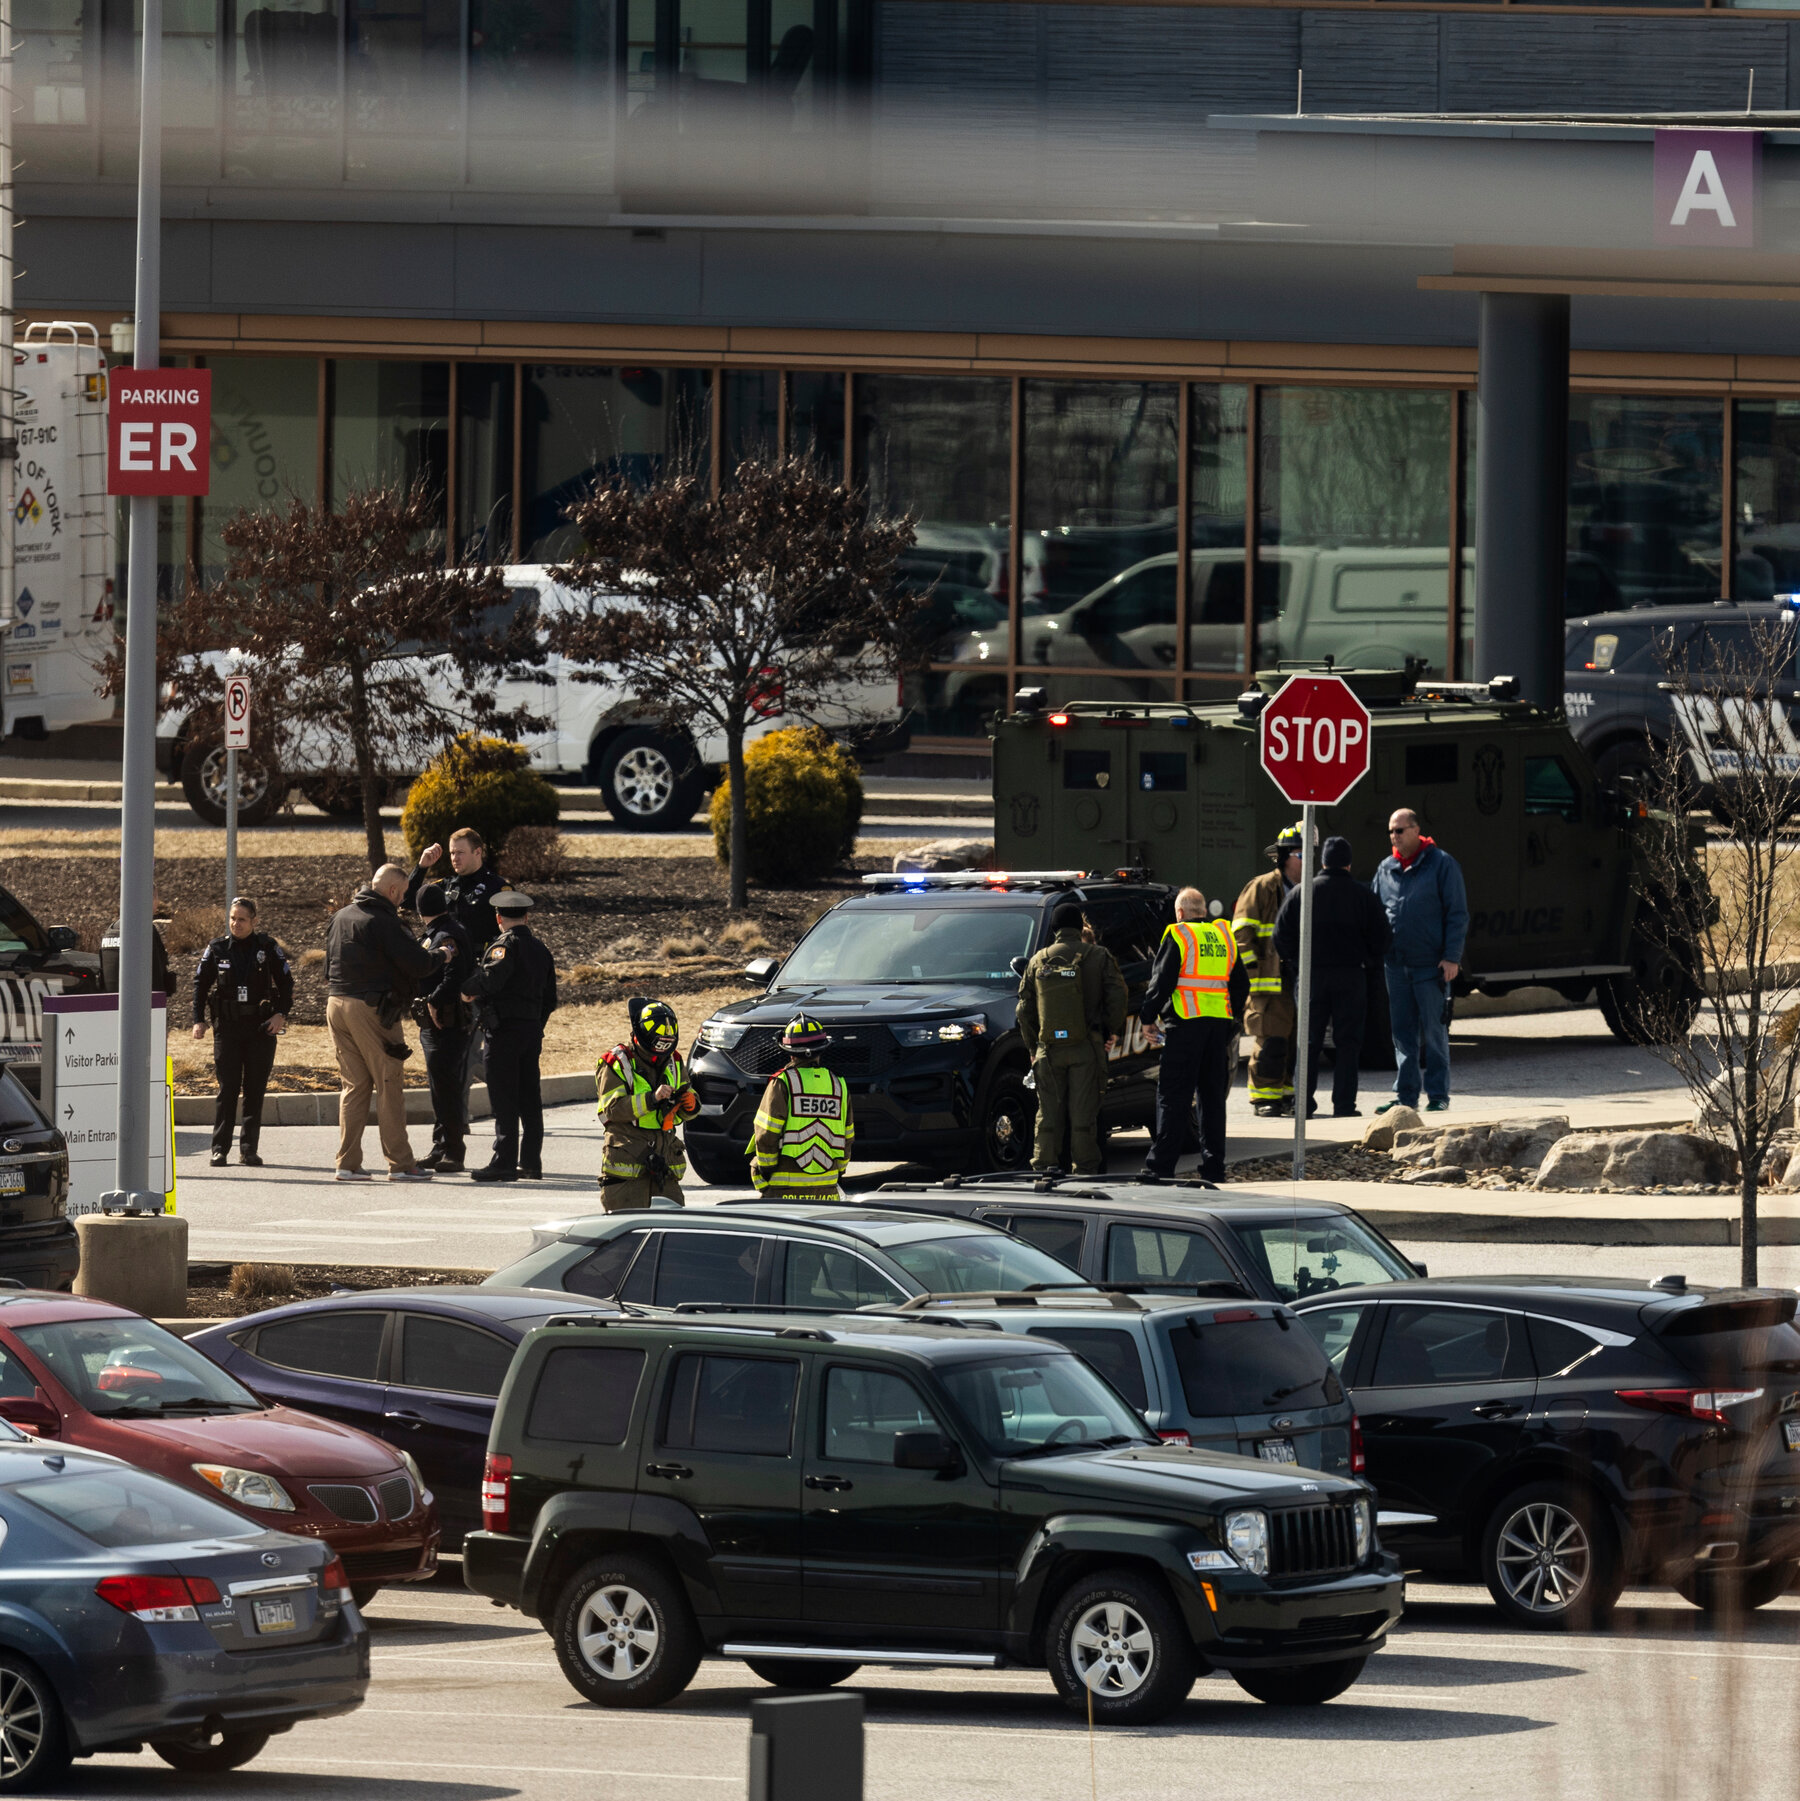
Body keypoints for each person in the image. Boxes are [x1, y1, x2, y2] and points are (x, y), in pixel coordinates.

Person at [326, 863, 452, 1182]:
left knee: (353, 1086)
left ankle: (347, 1163)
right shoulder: (383, 921)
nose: (403, 900)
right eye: (403, 893)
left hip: (336, 1005)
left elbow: (328, 965)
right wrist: (444, 955)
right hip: (372, 1010)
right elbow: (419, 963)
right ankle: (401, 1163)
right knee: (389, 1082)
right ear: (393, 891)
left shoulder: (340, 917)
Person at [1273, 836, 1393, 1119]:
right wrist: (1369, 962)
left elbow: (1281, 935)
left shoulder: (1302, 893)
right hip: (1351, 976)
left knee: (1309, 1042)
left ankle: (1304, 1105)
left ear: (1322, 861)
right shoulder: (1363, 895)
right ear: (1348, 864)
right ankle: (1344, 1105)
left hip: (1312, 975)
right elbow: (1383, 938)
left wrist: (1297, 963)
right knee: (1348, 1044)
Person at [1016, 899, 1127, 1175]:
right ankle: (1085, 1171)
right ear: (1079, 927)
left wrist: (1033, 1046)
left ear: (1054, 928)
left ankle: (1043, 1168)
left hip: (1048, 1050)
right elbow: (1118, 995)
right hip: (1086, 1048)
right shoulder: (1098, 956)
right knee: (1083, 1116)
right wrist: (1110, 1031)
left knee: (1048, 1116)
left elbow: (1023, 1009)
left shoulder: (1038, 960)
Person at [1139, 887, 1241, 1183]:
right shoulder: (1223, 935)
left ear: (1180, 913)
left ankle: (1161, 1167)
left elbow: (1162, 982)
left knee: (1173, 1095)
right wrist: (1230, 1022)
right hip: (1217, 1028)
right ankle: (1214, 1167)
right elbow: (1240, 984)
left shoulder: (1179, 934)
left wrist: (1148, 1018)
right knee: (1211, 1099)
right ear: (1204, 912)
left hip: (1185, 1025)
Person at [405, 826, 504, 1132]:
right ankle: (456, 1122)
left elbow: (506, 937)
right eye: (451, 853)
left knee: (471, 1052)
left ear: (478, 852)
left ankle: (485, 1113)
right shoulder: (444, 886)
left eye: (461, 852)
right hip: (445, 978)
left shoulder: (497, 888)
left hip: (477, 978)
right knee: (458, 1055)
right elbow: (408, 900)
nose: (455, 858)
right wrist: (421, 867)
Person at [1373, 808, 1469, 1116]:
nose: (1394, 836)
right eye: (1390, 831)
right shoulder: (1385, 868)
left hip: (1430, 966)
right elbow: (1376, 912)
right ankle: (1405, 1097)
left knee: (1434, 1031)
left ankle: (1438, 1094)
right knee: (1402, 1033)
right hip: (1396, 965)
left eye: (1400, 830)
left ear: (1416, 830)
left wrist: (1452, 957)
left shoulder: (1442, 864)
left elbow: (1457, 914)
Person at [461, 891, 558, 1184]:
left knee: (504, 1098)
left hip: (503, 1031)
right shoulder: (541, 949)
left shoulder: (504, 946)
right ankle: (530, 1161)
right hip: (530, 1030)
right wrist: (536, 1024)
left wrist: (467, 989)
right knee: (529, 1098)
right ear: (526, 917)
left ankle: (503, 1161)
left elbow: (491, 979)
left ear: (499, 918)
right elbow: (550, 998)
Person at [191, 896, 292, 1168]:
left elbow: (287, 984)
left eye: (242, 919)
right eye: (233, 918)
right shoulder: (218, 948)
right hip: (228, 1029)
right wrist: (198, 1019)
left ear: (254, 921)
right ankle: (219, 1149)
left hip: (260, 1029)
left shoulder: (267, 948)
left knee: (254, 1089)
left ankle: (248, 1149)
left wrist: (280, 1015)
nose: (236, 923)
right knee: (228, 1089)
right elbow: (201, 984)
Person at [596, 998, 697, 1211]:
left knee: (672, 1230)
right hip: (628, 1168)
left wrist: (691, 1105)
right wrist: (652, 1098)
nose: (660, 1055)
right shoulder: (616, 1062)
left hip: (664, 1165)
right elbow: (612, 1109)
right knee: (627, 1234)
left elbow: (686, 1100)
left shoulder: (674, 1060)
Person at [1233, 823, 1305, 1116]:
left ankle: (1286, 1094)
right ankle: (1264, 1098)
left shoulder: (1308, 889)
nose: (1307, 859)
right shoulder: (1262, 887)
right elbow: (1241, 932)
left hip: (1297, 978)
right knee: (1271, 1041)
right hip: (1268, 980)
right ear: (1286, 856)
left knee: (1293, 1042)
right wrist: (1253, 974)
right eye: (1302, 854)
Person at [752, 1015, 854, 1201]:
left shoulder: (782, 1082)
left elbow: (766, 1133)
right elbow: (847, 1136)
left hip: (784, 1190)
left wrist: (766, 1169)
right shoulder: (838, 1084)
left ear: (789, 1051)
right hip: (827, 1190)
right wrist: (838, 1170)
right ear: (822, 1050)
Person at [412, 883, 476, 1173]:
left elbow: (454, 976)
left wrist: (434, 1002)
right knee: (439, 1087)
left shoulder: (446, 935)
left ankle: (454, 1151)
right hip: (435, 1024)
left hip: (446, 1021)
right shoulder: (438, 932)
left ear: (420, 910)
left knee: (447, 1087)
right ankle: (441, 1146)